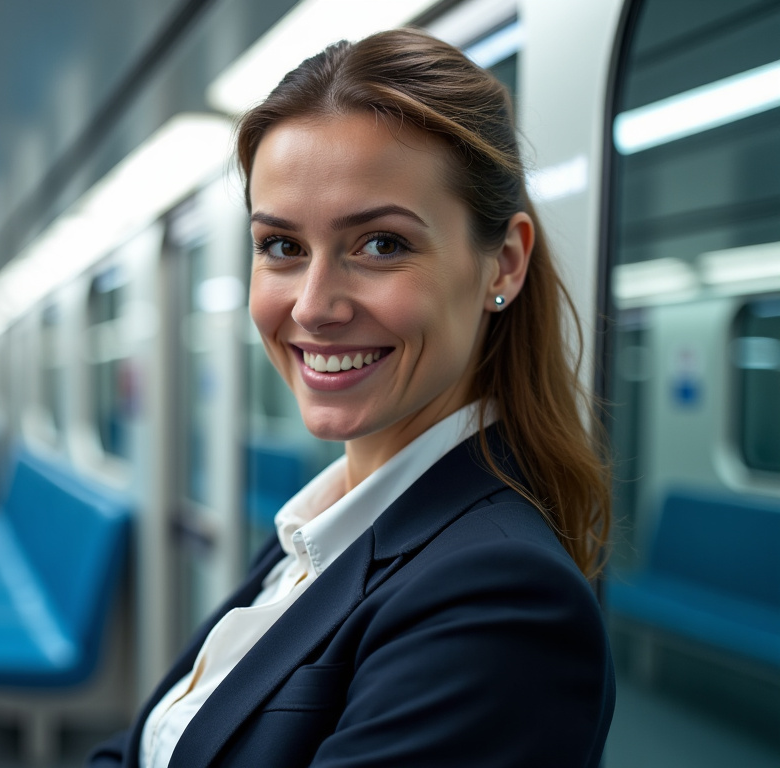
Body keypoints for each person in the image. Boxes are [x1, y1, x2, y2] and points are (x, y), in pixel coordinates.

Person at [88, 28, 615, 768]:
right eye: (282, 246)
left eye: (380, 245)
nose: (311, 306)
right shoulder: (317, 532)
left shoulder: (499, 602)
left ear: (504, 261)